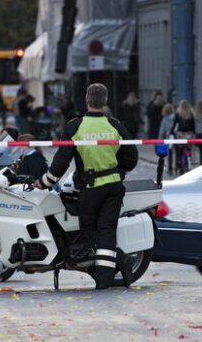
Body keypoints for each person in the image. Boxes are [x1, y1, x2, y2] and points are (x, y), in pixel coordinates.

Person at [35, 83, 138, 289]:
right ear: (105, 101)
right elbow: (132, 157)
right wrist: (120, 171)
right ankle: (108, 276)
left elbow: (61, 162)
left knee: (89, 229)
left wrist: (45, 182)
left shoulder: (75, 127)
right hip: (113, 187)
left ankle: (115, 267)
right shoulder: (115, 125)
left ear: (87, 100)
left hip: (90, 189)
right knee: (106, 231)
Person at [171, 100, 196, 174]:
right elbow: (193, 125)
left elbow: (174, 124)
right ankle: (188, 165)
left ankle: (179, 167)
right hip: (189, 134)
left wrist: (172, 132)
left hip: (180, 134)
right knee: (188, 150)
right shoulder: (190, 114)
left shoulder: (178, 114)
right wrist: (194, 133)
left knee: (179, 152)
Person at [158, 103, 175, 174]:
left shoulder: (164, 120)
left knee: (170, 153)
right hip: (177, 137)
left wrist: (159, 140)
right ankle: (178, 167)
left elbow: (162, 131)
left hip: (169, 138)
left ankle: (170, 168)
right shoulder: (175, 117)